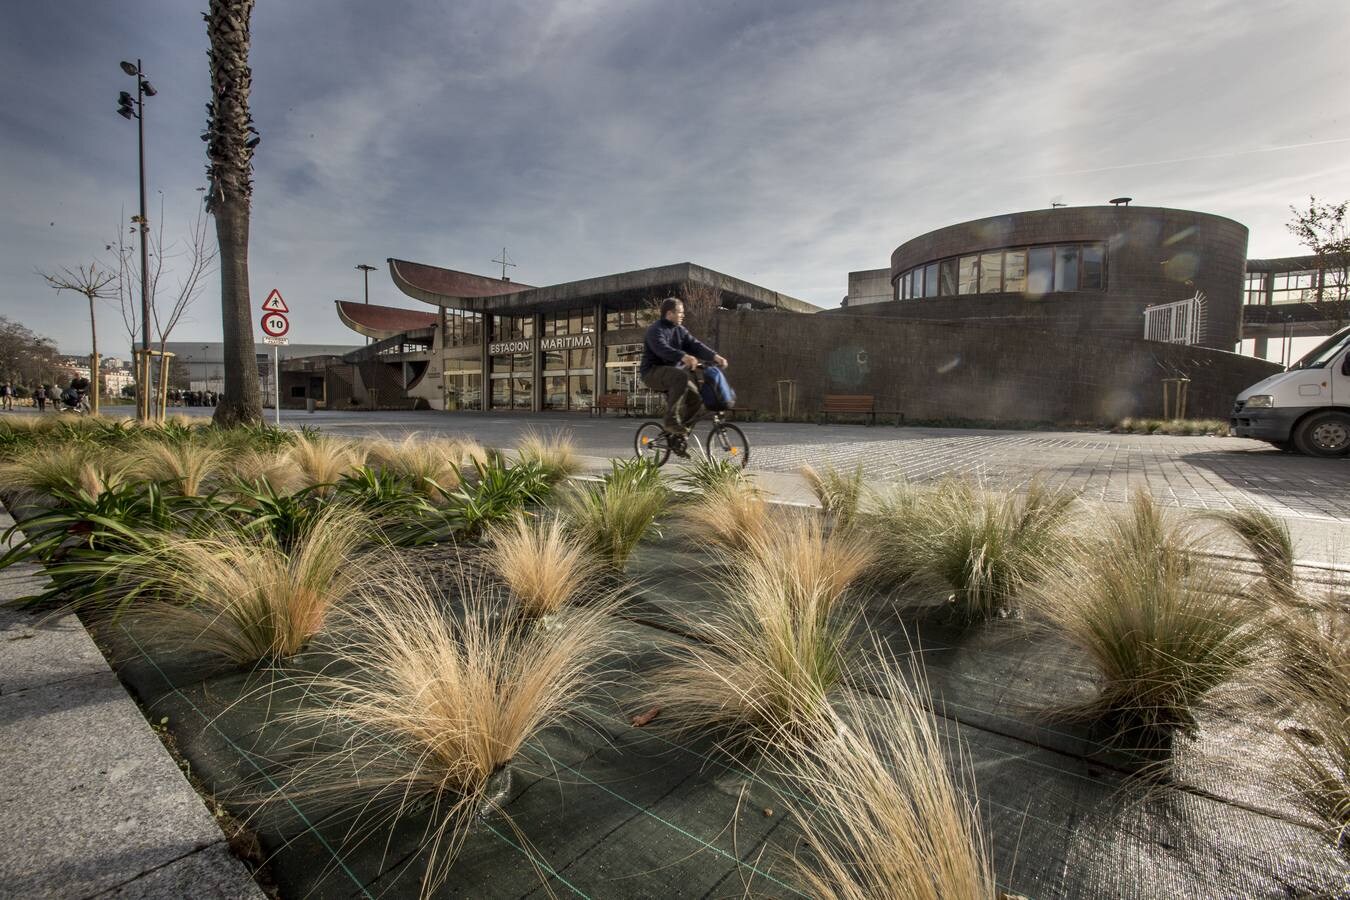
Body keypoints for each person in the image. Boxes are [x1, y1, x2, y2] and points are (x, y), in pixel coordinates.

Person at [639, 297, 728, 455]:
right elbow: (662, 349)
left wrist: (715, 357)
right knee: (681, 375)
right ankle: (670, 420)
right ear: (669, 313)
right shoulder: (655, 330)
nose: (683, 315)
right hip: (652, 372)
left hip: (673, 376)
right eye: (680, 312)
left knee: (696, 399)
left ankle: (678, 437)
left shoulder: (680, 330)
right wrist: (682, 356)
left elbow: (695, 345)